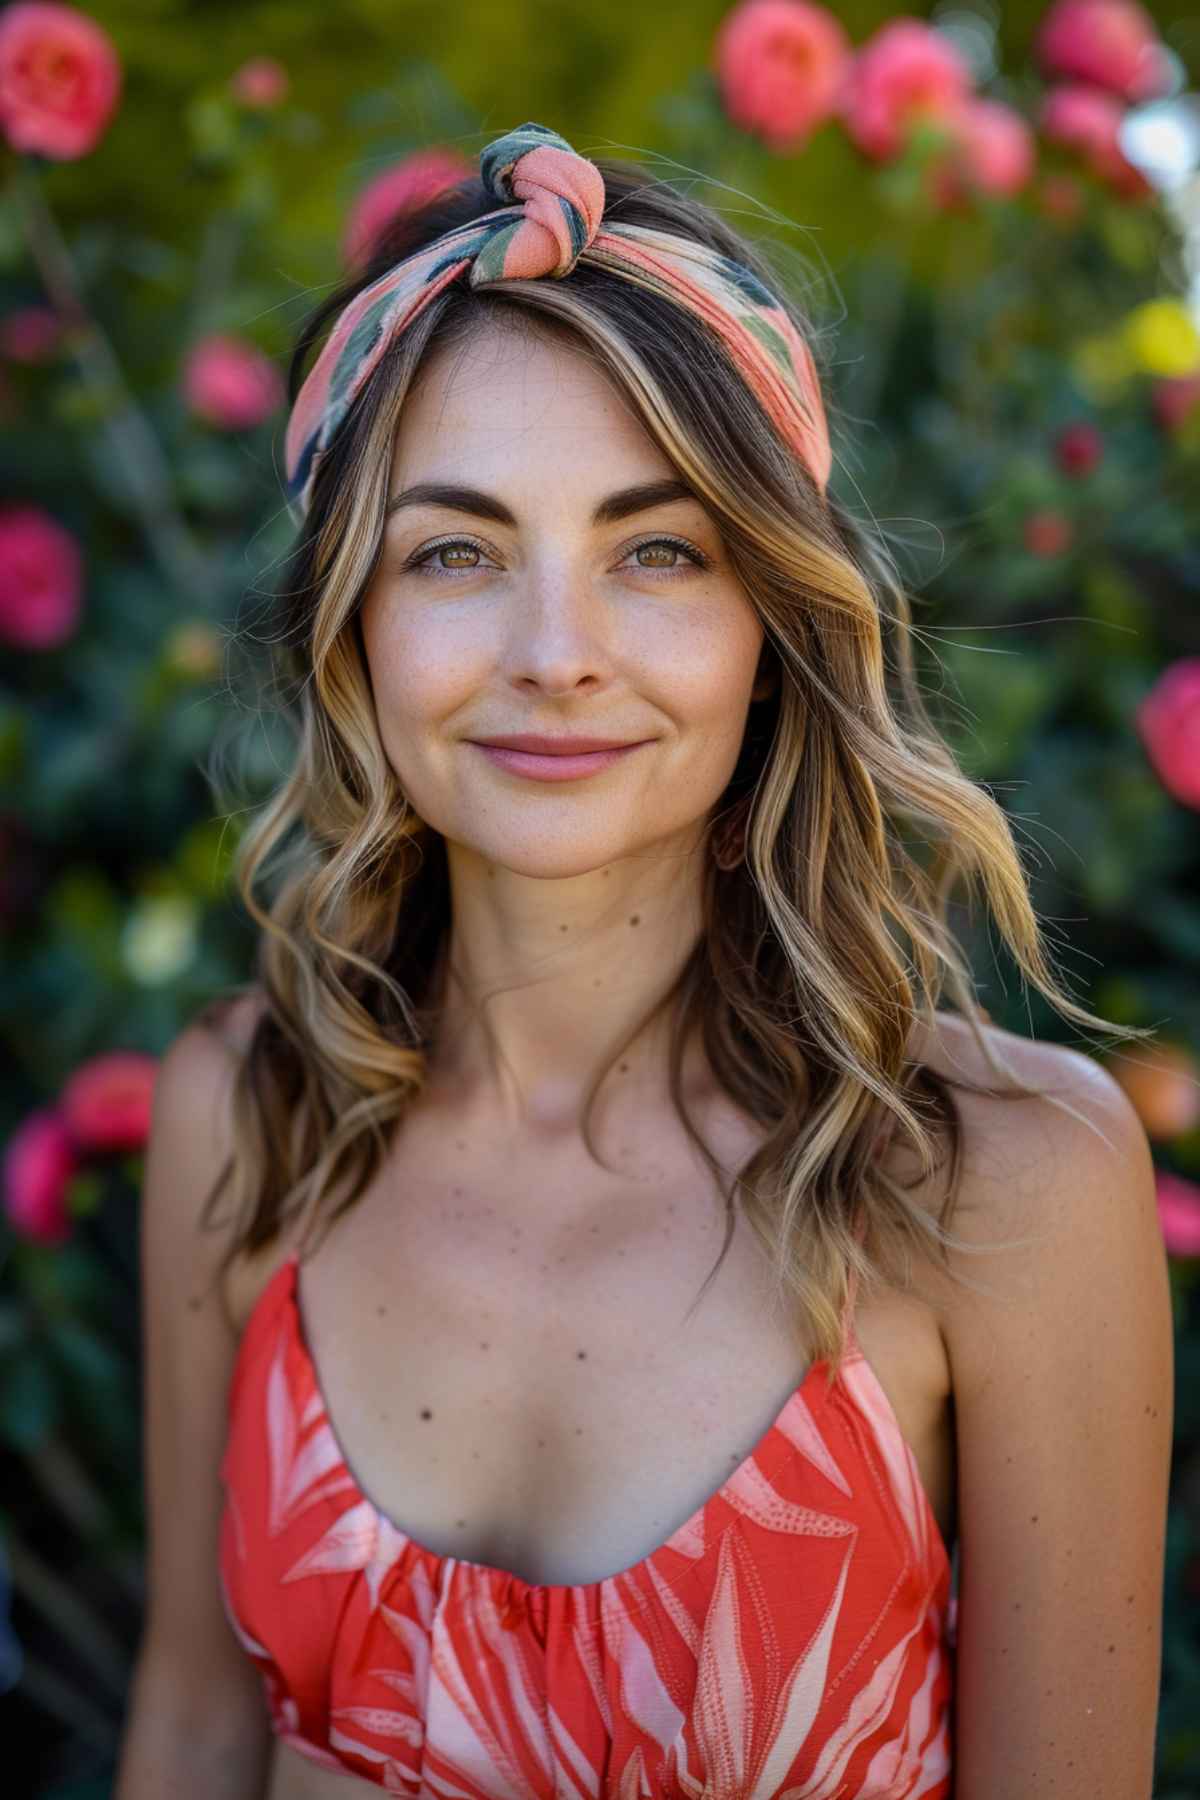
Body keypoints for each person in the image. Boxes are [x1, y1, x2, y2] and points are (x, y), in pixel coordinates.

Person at [114, 123, 1173, 1799]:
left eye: (658, 551)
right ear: (350, 636)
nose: (556, 657)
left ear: (774, 627)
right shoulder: (250, 1116)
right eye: (454, 551)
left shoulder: (1004, 1188)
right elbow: (190, 1723)